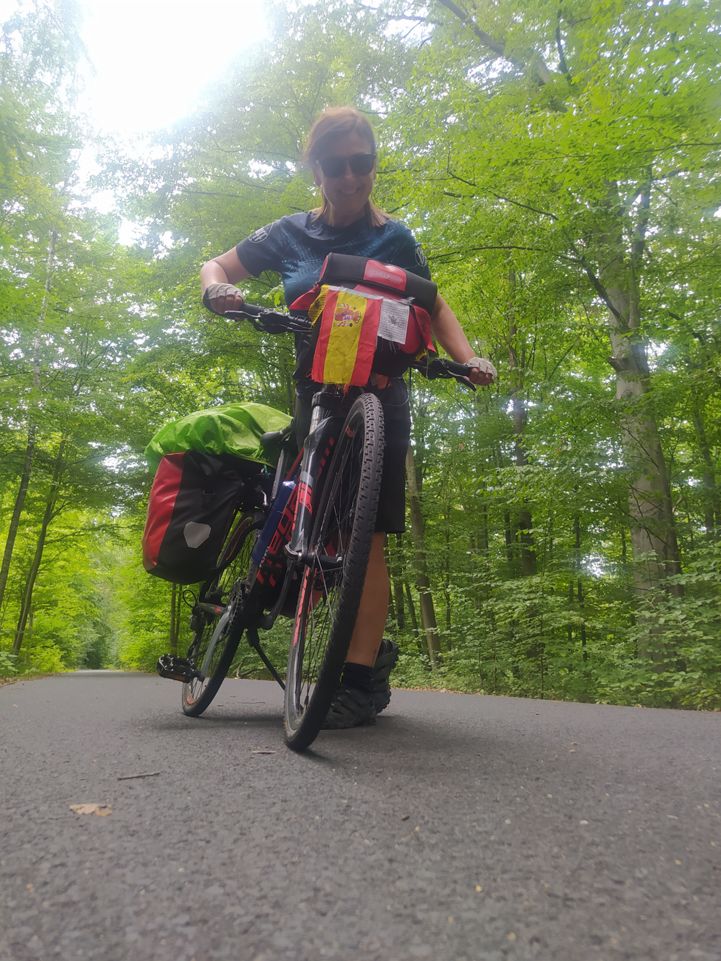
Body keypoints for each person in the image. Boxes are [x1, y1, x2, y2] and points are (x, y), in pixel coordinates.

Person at [200, 106, 496, 729]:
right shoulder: (289, 233)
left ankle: (358, 680)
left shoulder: (396, 237)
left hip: (381, 394)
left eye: (362, 164)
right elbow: (219, 266)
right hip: (316, 390)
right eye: (337, 165)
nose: (351, 176)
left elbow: (432, 303)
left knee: (371, 536)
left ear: (372, 165)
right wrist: (217, 291)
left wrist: (469, 359)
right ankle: (278, 597)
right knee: (314, 525)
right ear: (317, 168)